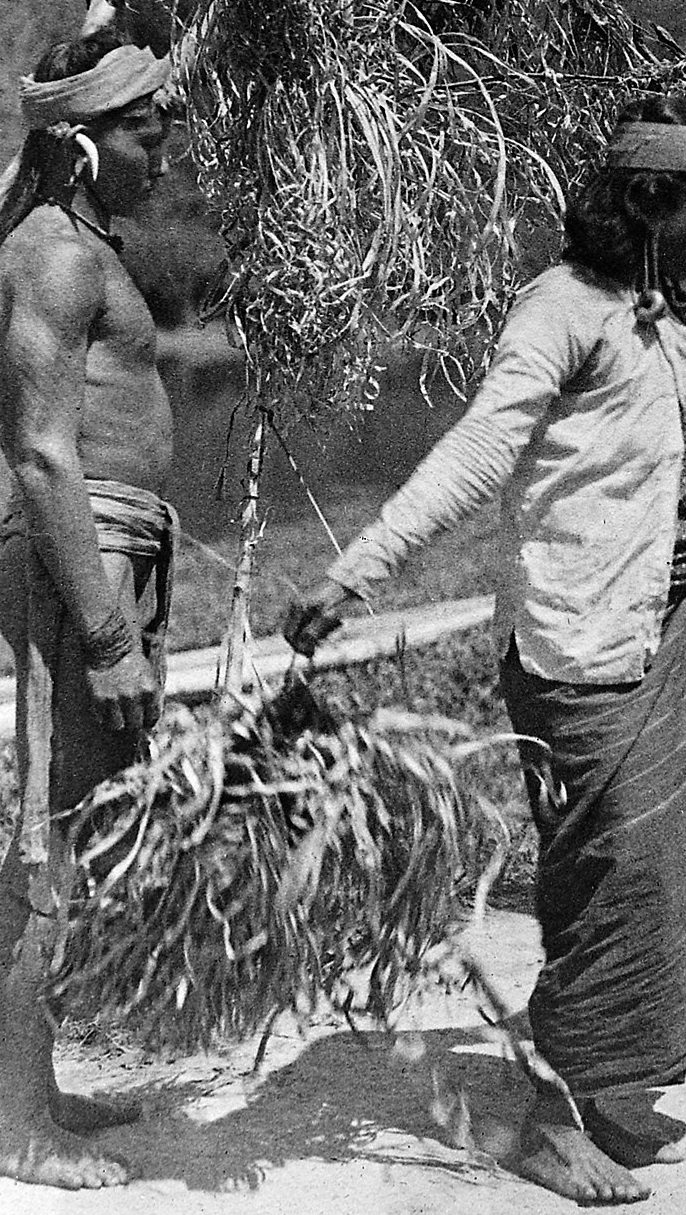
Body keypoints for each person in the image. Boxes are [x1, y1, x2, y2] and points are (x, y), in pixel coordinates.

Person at [284, 95, 686, 1205]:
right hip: (582, 644)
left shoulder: (662, 317)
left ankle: (606, 1088)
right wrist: (355, 573)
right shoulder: (560, 310)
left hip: (674, 630)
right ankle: (552, 1120)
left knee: (683, 868)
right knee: (611, 878)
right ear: (649, 202)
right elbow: (477, 451)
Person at [0, 25, 173, 1191]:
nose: (164, 151)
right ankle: (16, 1121)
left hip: (115, 546)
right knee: (50, 833)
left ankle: (31, 1085)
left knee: (84, 820)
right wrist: (107, 632)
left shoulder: (86, 245)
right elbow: (43, 453)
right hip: (80, 555)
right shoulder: (54, 257)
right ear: (81, 143)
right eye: (144, 132)